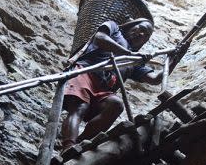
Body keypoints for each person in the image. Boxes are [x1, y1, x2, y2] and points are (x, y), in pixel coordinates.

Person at [61, 18, 163, 150]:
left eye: (146, 36)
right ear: (131, 26)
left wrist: (174, 59)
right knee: (80, 107)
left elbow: (155, 79)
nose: (142, 35)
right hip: (86, 72)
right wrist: (127, 53)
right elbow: (100, 38)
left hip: (104, 89)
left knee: (115, 104)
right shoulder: (114, 29)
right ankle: (69, 146)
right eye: (141, 29)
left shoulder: (134, 60)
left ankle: (80, 145)